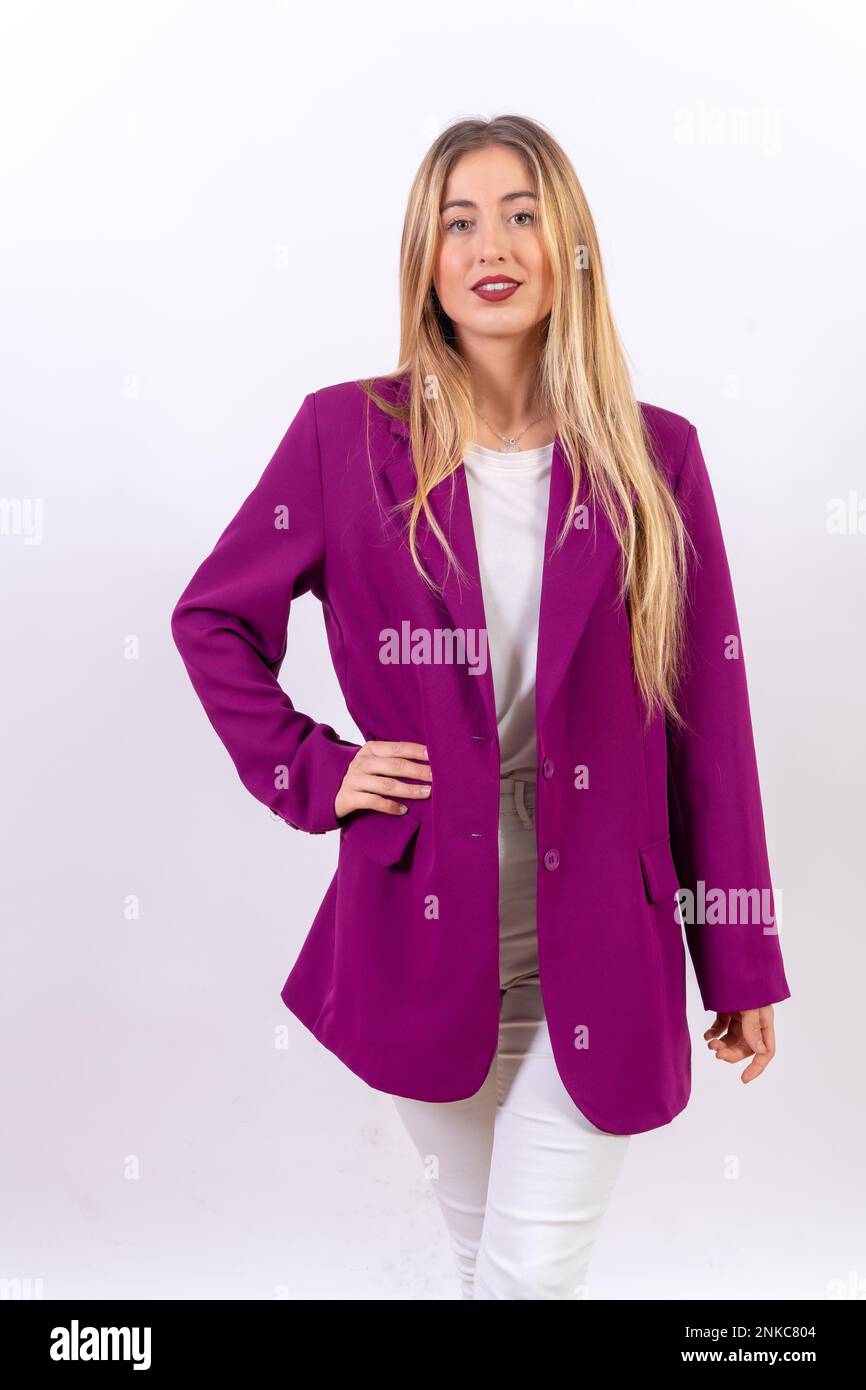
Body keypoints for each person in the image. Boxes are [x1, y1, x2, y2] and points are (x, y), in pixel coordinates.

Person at [171, 114, 791, 1300]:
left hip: (602, 944)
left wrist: (740, 954)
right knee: (483, 1269)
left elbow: (710, 725)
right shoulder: (343, 437)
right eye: (458, 220)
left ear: (572, 250)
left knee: (523, 1279)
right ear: (426, 256)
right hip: (422, 938)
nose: (489, 243)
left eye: (521, 214)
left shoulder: (657, 462)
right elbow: (213, 619)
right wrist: (314, 767)